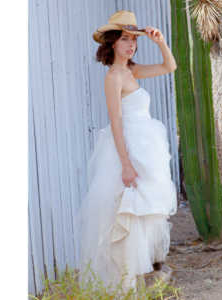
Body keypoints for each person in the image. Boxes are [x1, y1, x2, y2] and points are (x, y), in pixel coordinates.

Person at [75, 10, 178, 295]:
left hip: (145, 148)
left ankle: (138, 282)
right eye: (124, 39)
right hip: (128, 150)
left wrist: (160, 41)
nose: (131, 45)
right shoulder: (114, 77)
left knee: (144, 214)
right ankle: (123, 287)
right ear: (111, 43)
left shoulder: (132, 70)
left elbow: (170, 67)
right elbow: (116, 120)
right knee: (126, 216)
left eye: (134, 39)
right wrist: (125, 164)